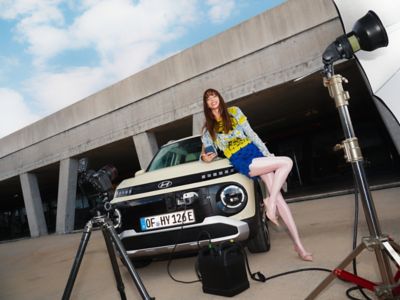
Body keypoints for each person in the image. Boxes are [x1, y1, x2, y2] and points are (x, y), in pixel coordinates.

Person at [200, 88, 312, 261]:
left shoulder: (234, 112)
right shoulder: (208, 130)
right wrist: (204, 158)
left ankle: (299, 245)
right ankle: (270, 202)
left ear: (219, 97)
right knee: (287, 162)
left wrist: (267, 154)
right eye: (208, 98)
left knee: (280, 200)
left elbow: (251, 134)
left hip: (254, 152)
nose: (212, 100)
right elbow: (210, 153)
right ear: (206, 104)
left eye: (214, 95)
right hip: (240, 159)